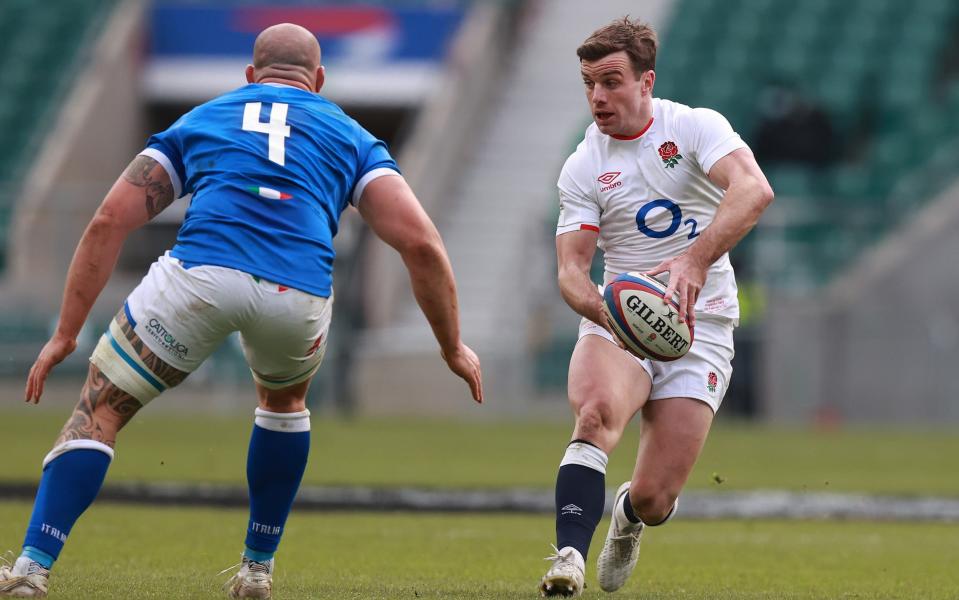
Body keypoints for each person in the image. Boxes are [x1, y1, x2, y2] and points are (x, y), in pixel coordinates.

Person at [0, 23, 483, 600]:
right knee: (284, 403)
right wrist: (451, 345)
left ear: (250, 77)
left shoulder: (205, 118)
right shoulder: (352, 137)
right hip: (296, 296)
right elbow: (421, 244)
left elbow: (108, 220)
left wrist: (66, 333)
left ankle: (31, 569)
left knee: (100, 410)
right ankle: (257, 568)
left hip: (201, 277)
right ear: (319, 81)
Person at [539, 17, 773, 596]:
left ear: (646, 81)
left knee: (656, 496)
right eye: (589, 83)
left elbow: (753, 190)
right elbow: (571, 269)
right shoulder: (584, 165)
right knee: (593, 416)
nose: (598, 96)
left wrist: (693, 263)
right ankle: (567, 556)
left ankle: (628, 517)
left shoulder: (693, 128)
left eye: (611, 81)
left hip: (705, 323)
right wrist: (602, 313)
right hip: (620, 320)